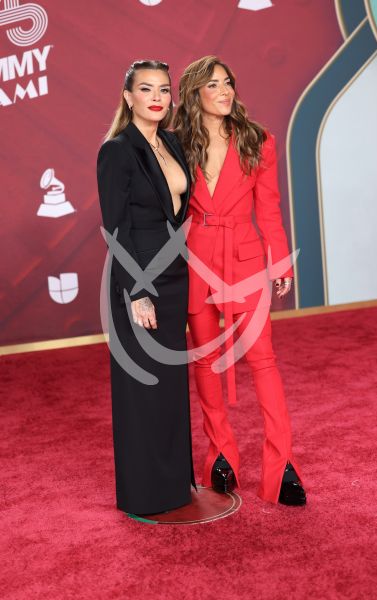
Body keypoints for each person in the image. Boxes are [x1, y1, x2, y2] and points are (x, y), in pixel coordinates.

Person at [174, 55, 306, 506]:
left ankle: (282, 466)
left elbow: (268, 209)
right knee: (206, 363)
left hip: (246, 261)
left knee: (263, 360)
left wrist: (281, 264)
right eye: (214, 85)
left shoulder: (258, 140)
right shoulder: (176, 145)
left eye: (228, 82)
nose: (225, 90)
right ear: (195, 94)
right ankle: (220, 458)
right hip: (196, 261)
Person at [97, 59, 195, 515]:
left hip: (175, 278)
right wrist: (136, 291)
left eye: (163, 89)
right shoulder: (118, 151)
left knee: (171, 384)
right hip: (140, 280)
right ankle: (145, 493)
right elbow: (116, 229)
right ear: (128, 96)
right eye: (146, 88)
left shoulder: (171, 142)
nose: (157, 96)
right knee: (143, 386)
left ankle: (175, 485)